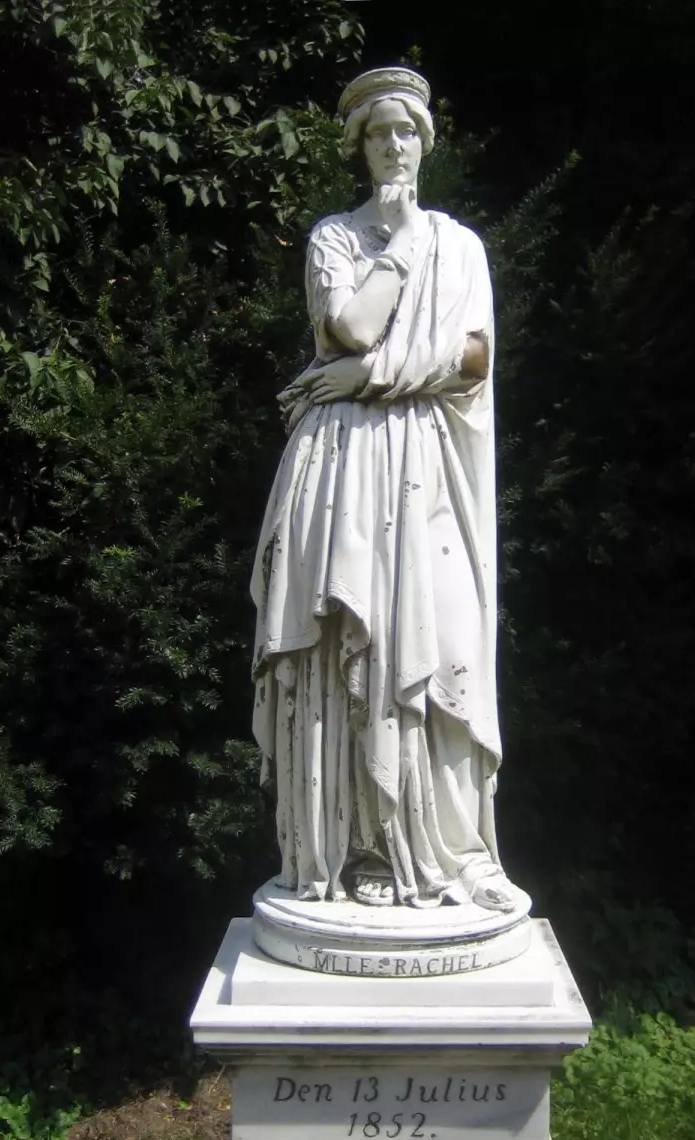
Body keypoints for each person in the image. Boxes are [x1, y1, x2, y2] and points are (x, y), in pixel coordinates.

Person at [250, 67, 520, 913]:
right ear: (360, 147)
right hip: (340, 468)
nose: (394, 146)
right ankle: (357, 849)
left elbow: (474, 358)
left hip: (425, 471)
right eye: (379, 133)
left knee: (437, 643)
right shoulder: (335, 238)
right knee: (343, 646)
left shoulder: (461, 246)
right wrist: (398, 246)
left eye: (407, 131)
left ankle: (444, 851)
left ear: (425, 143)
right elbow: (354, 323)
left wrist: (364, 377)